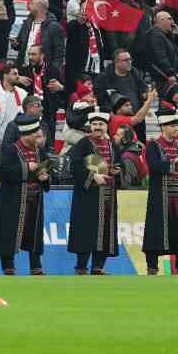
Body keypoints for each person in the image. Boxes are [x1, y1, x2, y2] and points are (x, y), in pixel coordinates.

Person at [143, 109, 178, 274]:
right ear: (163, 127)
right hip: (160, 197)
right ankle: (152, 267)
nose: (176, 129)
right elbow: (154, 165)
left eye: (177, 126)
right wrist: (175, 164)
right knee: (156, 230)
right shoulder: (153, 145)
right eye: (173, 126)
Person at [0, 113, 48, 275]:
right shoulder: (11, 150)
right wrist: (25, 168)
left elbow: (44, 170)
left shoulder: (40, 151)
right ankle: (8, 267)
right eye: (35, 135)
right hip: (14, 199)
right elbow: (3, 173)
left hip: (35, 199)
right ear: (26, 134)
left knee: (35, 232)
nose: (38, 138)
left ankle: (36, 266)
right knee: (10, 232)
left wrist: (45, 178)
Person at [66, 109, 118, 274]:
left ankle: (98, 266)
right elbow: (74, 166)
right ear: (90, 126)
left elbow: (118, 163)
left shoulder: (112, 145)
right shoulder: (83, 143)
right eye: (94, 124)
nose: (97, 127)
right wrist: (92, 177)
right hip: (88, 195)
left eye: (101, 124)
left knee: (105, 231)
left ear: (106, 127)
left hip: (108, 194)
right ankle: (81, 266)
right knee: (86, 230)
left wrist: (118, 170)